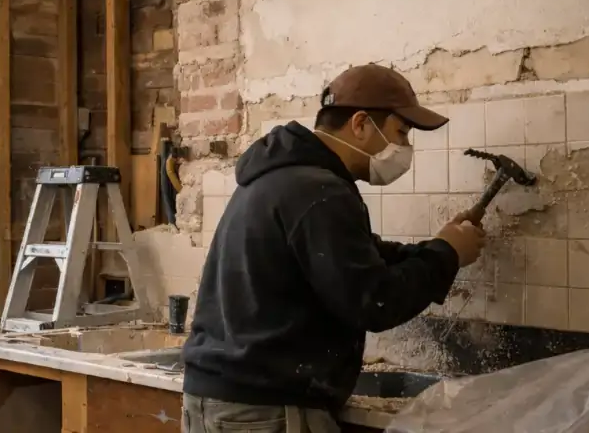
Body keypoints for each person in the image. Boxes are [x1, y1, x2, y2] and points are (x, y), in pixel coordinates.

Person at [181, 64, 486, 433]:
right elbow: (374, 301)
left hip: (228, 399)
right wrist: (447, 256)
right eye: (401, 133)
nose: (405, 148)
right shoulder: (320, 192)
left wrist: (440, 246)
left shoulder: (282, 177)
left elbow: (358, 256)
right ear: (360, 124)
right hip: (267, 410)